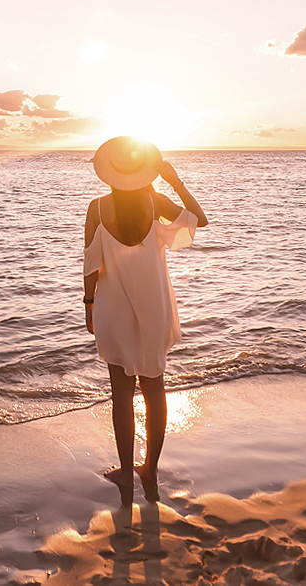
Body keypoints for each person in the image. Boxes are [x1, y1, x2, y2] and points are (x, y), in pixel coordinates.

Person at [83, 135, 208, 501]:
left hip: (112, 306)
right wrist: (175, 180)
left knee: (121, 391)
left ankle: (126, 472)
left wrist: (88, 304)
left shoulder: (98, 208)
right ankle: (149, 469)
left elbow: (91, 263)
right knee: (154, 388)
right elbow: (200, 219)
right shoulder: (156, 202)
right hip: (155, 306)